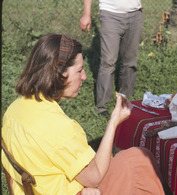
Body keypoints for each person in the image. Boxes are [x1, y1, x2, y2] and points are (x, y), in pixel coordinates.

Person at [1, 33, 164, 194]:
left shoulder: (14, 110)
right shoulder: (57, 127)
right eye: (79, 71)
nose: (84, 76)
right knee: (139, 160)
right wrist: (113, 122)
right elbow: (95, 176)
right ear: (60, 75)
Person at [80, 0, 144, 116]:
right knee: (108, 62)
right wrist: (86, 15)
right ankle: (103, 106)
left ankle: (126, 100)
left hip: (135, 15)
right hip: (110, 14)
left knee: (130, 62)